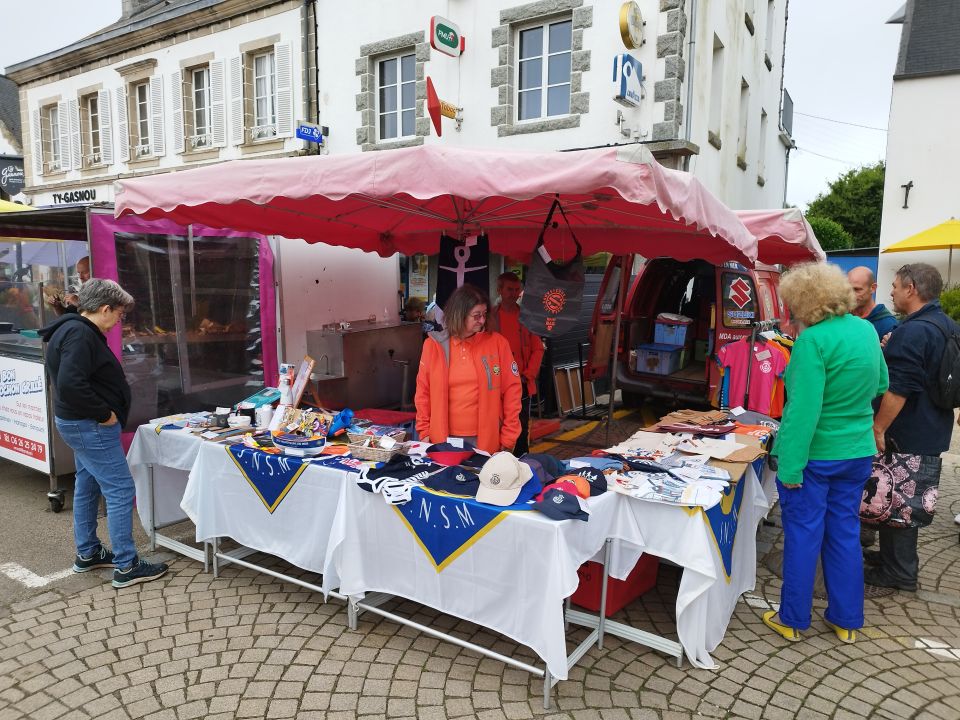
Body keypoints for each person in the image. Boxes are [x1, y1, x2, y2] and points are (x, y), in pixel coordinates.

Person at [764, 263, 888, 644]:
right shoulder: (866, 330)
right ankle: (846, 619)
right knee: (845, 533)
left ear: (804, 303)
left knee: (803, 535)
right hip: (856, 453)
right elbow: (881, 382)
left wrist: (790, 467)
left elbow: (803, 411)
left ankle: (793, 618)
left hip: (816, 456)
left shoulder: (812, 341)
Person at [39, 278, 168, 589]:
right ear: (105, 308)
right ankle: (127, 565)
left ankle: (89, 552)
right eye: (119, 314)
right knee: (121, 490)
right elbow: (71, 384)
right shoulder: (80, 334)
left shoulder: (72, 329)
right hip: (90, 425)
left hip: (79, 424)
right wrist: (104, 413)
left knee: (87, 484)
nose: (118, 322)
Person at [867, 263, 954, 594]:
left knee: (901, 501)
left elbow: (899, 387)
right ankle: (892, 558)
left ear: (912, 288)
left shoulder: (915, 330)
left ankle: (900, 572)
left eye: (895, 285)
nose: (891, 291)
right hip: (931, 426)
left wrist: (878, 428)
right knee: (903, 499)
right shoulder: (945, 324)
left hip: (908, 431)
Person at [415, 284, 522, 455]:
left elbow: (512, 391)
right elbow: (423, 393)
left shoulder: (497, 344)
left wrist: (509, 436)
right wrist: (424, 432)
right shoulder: (433, 345)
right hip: (443, 441)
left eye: (484, 314)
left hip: (486, 441)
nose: (482, 320)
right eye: (476, 315)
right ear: (459, 315)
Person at [488, 271, 544, 456]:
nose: (513, 294)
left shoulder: (526, 318)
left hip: (521, 383)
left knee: (520, 428)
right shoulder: (490, 318)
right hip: (496, 383)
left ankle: (522, 462)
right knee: (496, 426)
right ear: (500, 290)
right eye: (509, 289)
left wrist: (528, 374)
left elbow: (538, 348)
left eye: (516, 290)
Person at [847, 266, 898, 339]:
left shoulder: (888, 324)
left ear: (873, 288)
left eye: (857, 289)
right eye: (848, 289)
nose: (851, 294)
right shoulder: (842, 317)